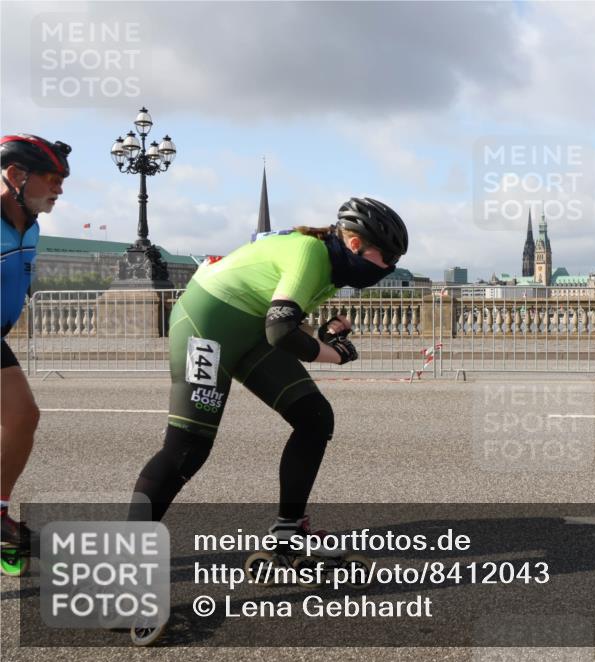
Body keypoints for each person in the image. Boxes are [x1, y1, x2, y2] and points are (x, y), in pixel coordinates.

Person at [128, 197, 407, 544]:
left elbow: (285, 322)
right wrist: (336, 355)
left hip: (251, 328)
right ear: (356, 244)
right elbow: (280, 331)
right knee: (187, 447)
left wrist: (323, 336)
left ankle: (288, 532)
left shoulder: (334, 268)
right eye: (389, 258)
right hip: (207, 323)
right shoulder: (310, 252)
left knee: (314, 418)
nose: (390, 268)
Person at [1, 134, 71, 567]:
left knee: (24, 415)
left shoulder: (33, 225)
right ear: (15, 175)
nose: (59, 189)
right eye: (51, 179)